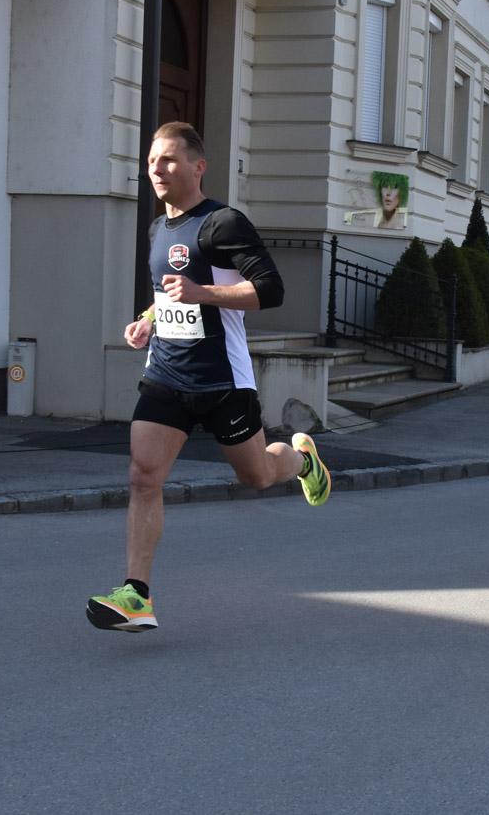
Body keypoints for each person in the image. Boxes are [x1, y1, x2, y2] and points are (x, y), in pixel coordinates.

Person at [86, 122, 331, 633]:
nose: (157, 169)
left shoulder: (223, 223)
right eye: (151, 161)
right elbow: (166, 293)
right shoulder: (157, 229)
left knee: (256, 476)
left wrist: (203, 294)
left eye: (169, 159)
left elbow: (271, 289)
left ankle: (302, 459)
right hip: (166, 376)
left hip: (223, 381)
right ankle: (136, 595)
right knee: (142, 477)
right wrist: (147, 321)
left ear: (198, 167)